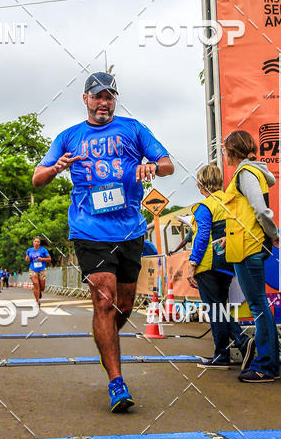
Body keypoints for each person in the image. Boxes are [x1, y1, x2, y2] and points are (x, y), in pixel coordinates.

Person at [32, 71, 174, 412]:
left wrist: (152, 167)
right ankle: (117, 382)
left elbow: (168, 164)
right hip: (89, 230)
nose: (103, 102)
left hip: (129, 231)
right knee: (104, 299)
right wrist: (57, 168)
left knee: (122, 306)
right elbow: (38, 178)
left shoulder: (133, 129)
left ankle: (104, 333)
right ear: (85, 99)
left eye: (109, 96)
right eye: (97, 96)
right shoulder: (69, 137)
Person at [223, 130, 280, 383]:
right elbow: (247, 213)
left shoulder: (245, 174)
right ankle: (267, 364)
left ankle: (266, 366)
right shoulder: (249, 173)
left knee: (258, 307)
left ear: (231, 151)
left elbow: (260, 209)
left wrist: (273, 233)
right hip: (246, 246)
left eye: (224, 150)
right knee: (259, 306)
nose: (223, 155)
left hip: (249, 248)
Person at [185, 165, 254, 371]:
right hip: (229, 262)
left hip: (208, 263)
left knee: (216, 310)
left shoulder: (204, 207)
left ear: (201, 184)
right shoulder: (231, 202)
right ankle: (232, 348)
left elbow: (202, 236)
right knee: (220, 308)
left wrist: (192, 264)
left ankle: (231, 349)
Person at [25, 237, 51, 306]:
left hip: (42, 269)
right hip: (33, 269)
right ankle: (37, 301)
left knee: (42, 287)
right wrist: (27, 258)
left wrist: (42, 259)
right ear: (33, 242)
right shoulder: (29, 250)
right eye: (35, 241)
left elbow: (49, 259)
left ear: (39, 243)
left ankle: (39, 292)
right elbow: (27, 258)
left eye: (38, 242)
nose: (36, 243)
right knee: (35, 283)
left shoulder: (43, 250)